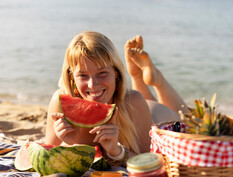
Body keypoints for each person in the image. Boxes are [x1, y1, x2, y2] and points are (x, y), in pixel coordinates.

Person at [45, 31, 187, 165]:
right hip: (136, 105)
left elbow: (149, 160)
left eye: (102, 73)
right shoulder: (60, 103)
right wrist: (66, 145)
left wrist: (117, 152)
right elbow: (46, 157)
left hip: (156, 116)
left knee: (188, 117)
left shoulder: (134, 102)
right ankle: (137, 75)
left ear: (116, 73)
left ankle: (157, 80)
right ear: (71, 77)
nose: (92, 84)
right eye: (83, 75)